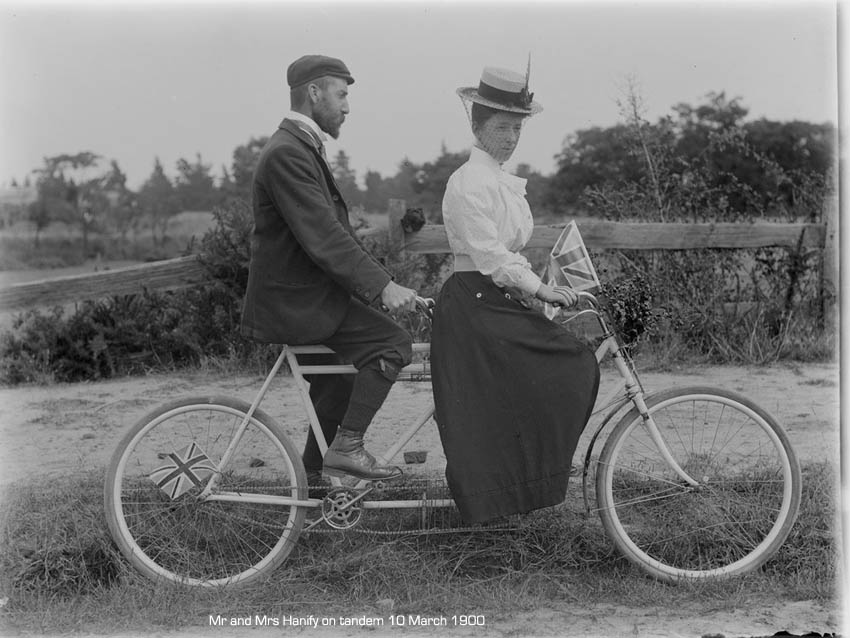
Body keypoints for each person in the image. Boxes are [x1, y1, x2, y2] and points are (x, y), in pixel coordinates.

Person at [430, 65, 601, 524]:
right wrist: (542, 289)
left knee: (563, 367)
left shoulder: (501, 181)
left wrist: (535, 292)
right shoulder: (468, 182)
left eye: (516, 128)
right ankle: (508, 489)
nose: (510, 138)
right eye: (501, 127)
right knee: (570, 364)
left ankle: (521, 485)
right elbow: (491, 256)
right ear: (477, 126)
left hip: (497, 298)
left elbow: (509, 255)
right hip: (474, 301)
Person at [241, 54, 418, 483]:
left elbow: (334, 237)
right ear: (314, 93)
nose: (347, 106)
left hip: (307, 298)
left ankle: (312, 488)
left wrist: (385, 287)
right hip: (298, 303)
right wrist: (384, 287)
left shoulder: (300, 147)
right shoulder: (287, 152)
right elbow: (325, 237)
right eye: (341, 94)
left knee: (336, 383)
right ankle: (349, 446)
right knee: (393, 346)